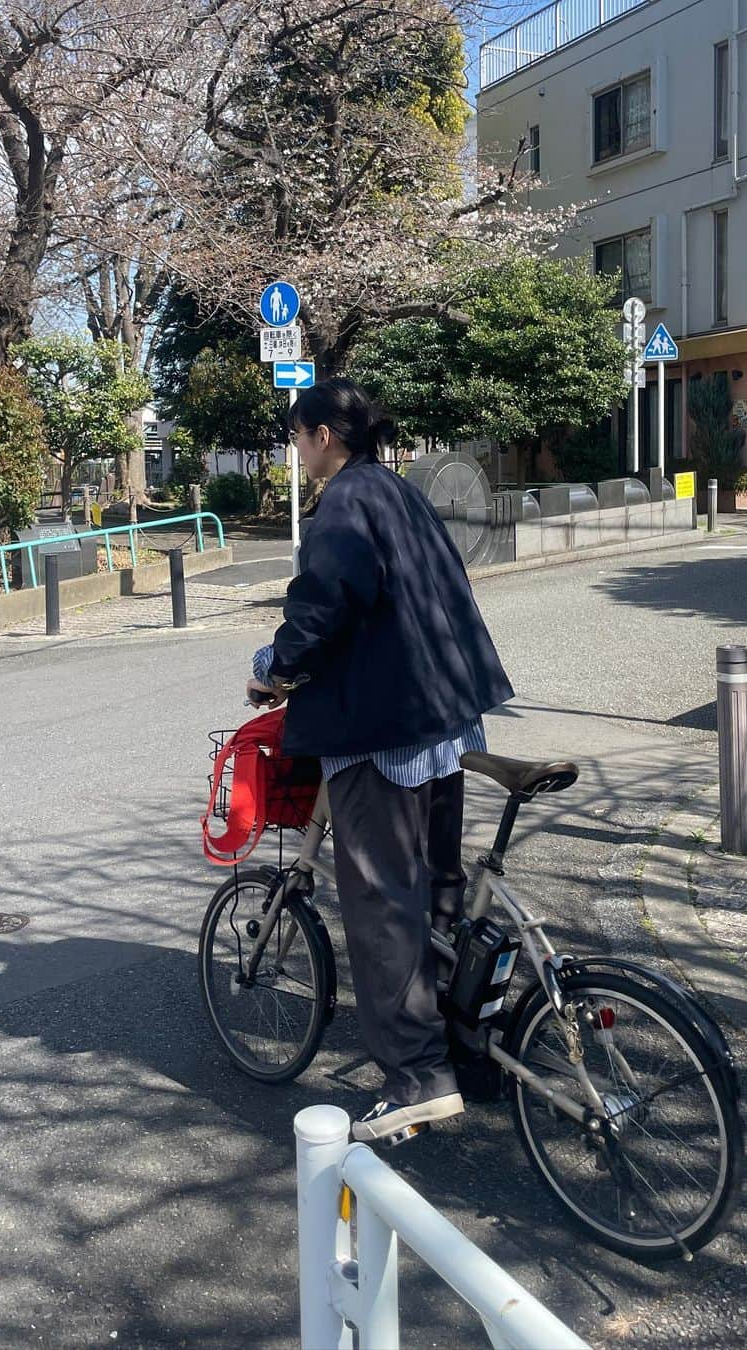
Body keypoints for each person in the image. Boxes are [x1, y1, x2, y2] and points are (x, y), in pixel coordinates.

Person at [247, 378, 513, 1143]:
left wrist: (275, 667)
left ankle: (418, 1079)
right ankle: (462, 1047)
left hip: (384, 727)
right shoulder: (398, 491)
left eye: (299, 437)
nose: (297, 451)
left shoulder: (344, 502)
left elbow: (323, 604)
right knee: (436, 891)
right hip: (445, 713)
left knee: (381, 903)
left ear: (325, 435)